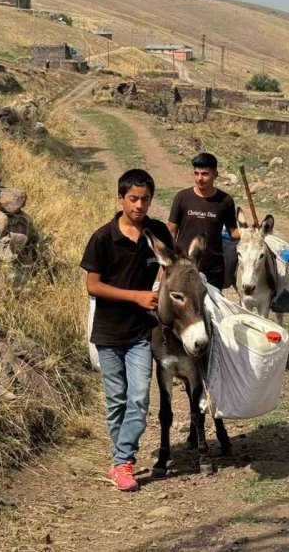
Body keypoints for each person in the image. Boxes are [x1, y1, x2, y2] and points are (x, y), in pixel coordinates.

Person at [80, 168, 173, 492]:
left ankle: (123, 462)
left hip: (140, 334)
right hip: (107, 333)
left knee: (138, 398)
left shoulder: (157, 232)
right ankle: (120, 459)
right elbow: (93, 286)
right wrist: (135, 296)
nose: (139, 205)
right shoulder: (103, 238)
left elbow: (171, 269)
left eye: (145, 199)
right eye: (133, 199)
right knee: (117, 399)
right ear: (121, 199)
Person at [167, 152, 240, 291]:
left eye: (205, 174)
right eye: (196, 173)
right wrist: (167, 262)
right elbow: (171, 230)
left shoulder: (225, 200)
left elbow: (233, 232)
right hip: (184, 267)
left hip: (213, 269)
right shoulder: (182, 197)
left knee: (211, 310)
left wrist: (252, 232)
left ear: (215, 175)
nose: (199, 178)